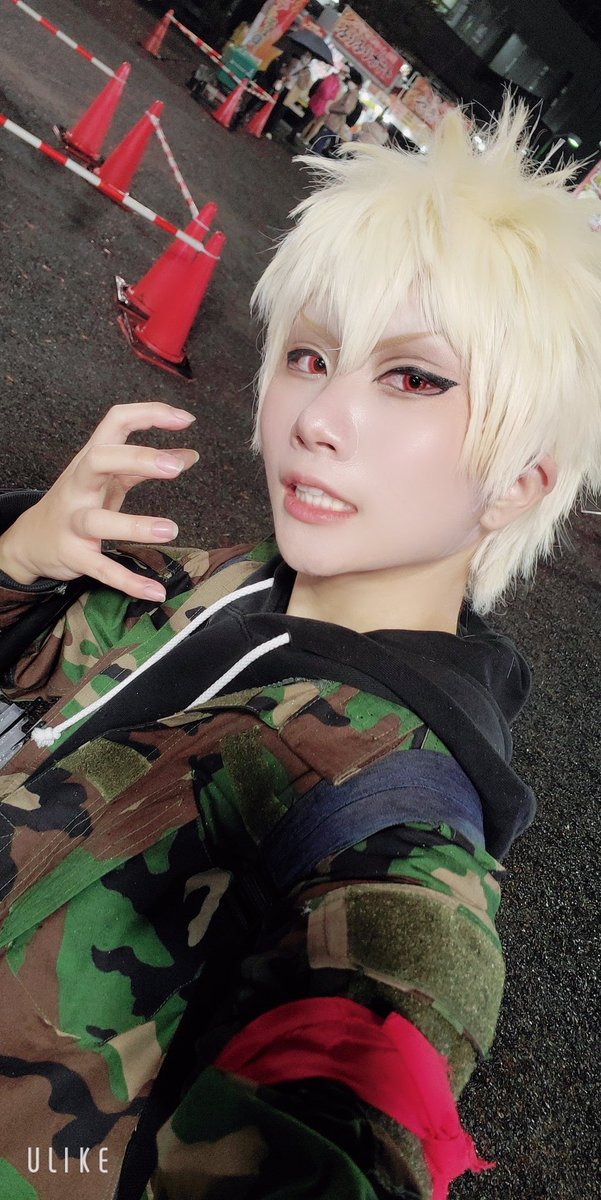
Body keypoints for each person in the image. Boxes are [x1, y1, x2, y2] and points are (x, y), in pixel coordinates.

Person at [0, 101, 600, 1200]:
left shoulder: (394, 838)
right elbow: (34, 679)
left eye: (413, 378)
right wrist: (22, 554)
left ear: (520, 480)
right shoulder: (212, 580)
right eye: (310, 355)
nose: (317, 417)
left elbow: (351, 1118)